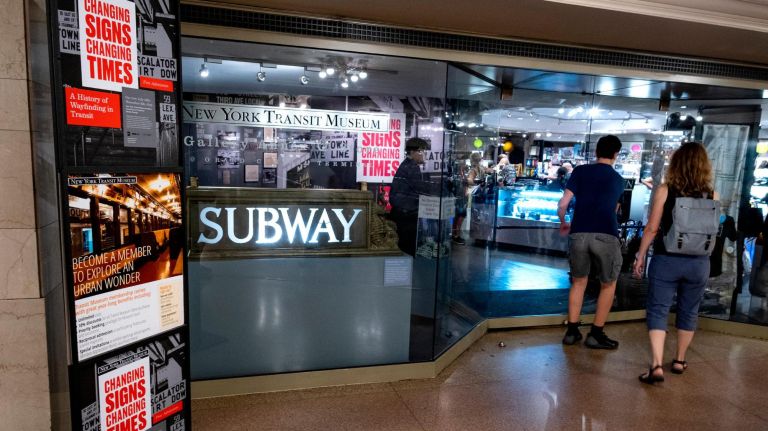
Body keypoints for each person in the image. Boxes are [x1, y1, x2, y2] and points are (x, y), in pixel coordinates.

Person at [632, 142, 718, 384]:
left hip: (667, 259)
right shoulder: (712, 195)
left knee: (658, 309)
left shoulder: (665, 190)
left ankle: (657, 365)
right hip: (699, 262)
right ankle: (679, 360)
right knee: (689, 310)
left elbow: (652, 228)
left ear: (676, 164)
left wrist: (640, 255)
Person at [558, 135, 625, 349]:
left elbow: (563, 204)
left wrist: (564, 222)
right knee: (608, 284)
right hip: (606, 234)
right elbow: (614, 209)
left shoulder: (580, 171)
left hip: (579, 233)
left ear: (596, 152)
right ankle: (596, 333)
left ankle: (572, 331)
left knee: (578, 282)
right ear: (616, 154)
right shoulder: (618, 179)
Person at [390, 137, 431, 256]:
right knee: (406, 251)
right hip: (406, 215)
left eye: (424, 151)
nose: (424, 154)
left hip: (403, 213)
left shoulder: (408, 164)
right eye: (421, 151)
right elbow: (420, 189)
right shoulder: (412, 167)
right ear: (412, 152)